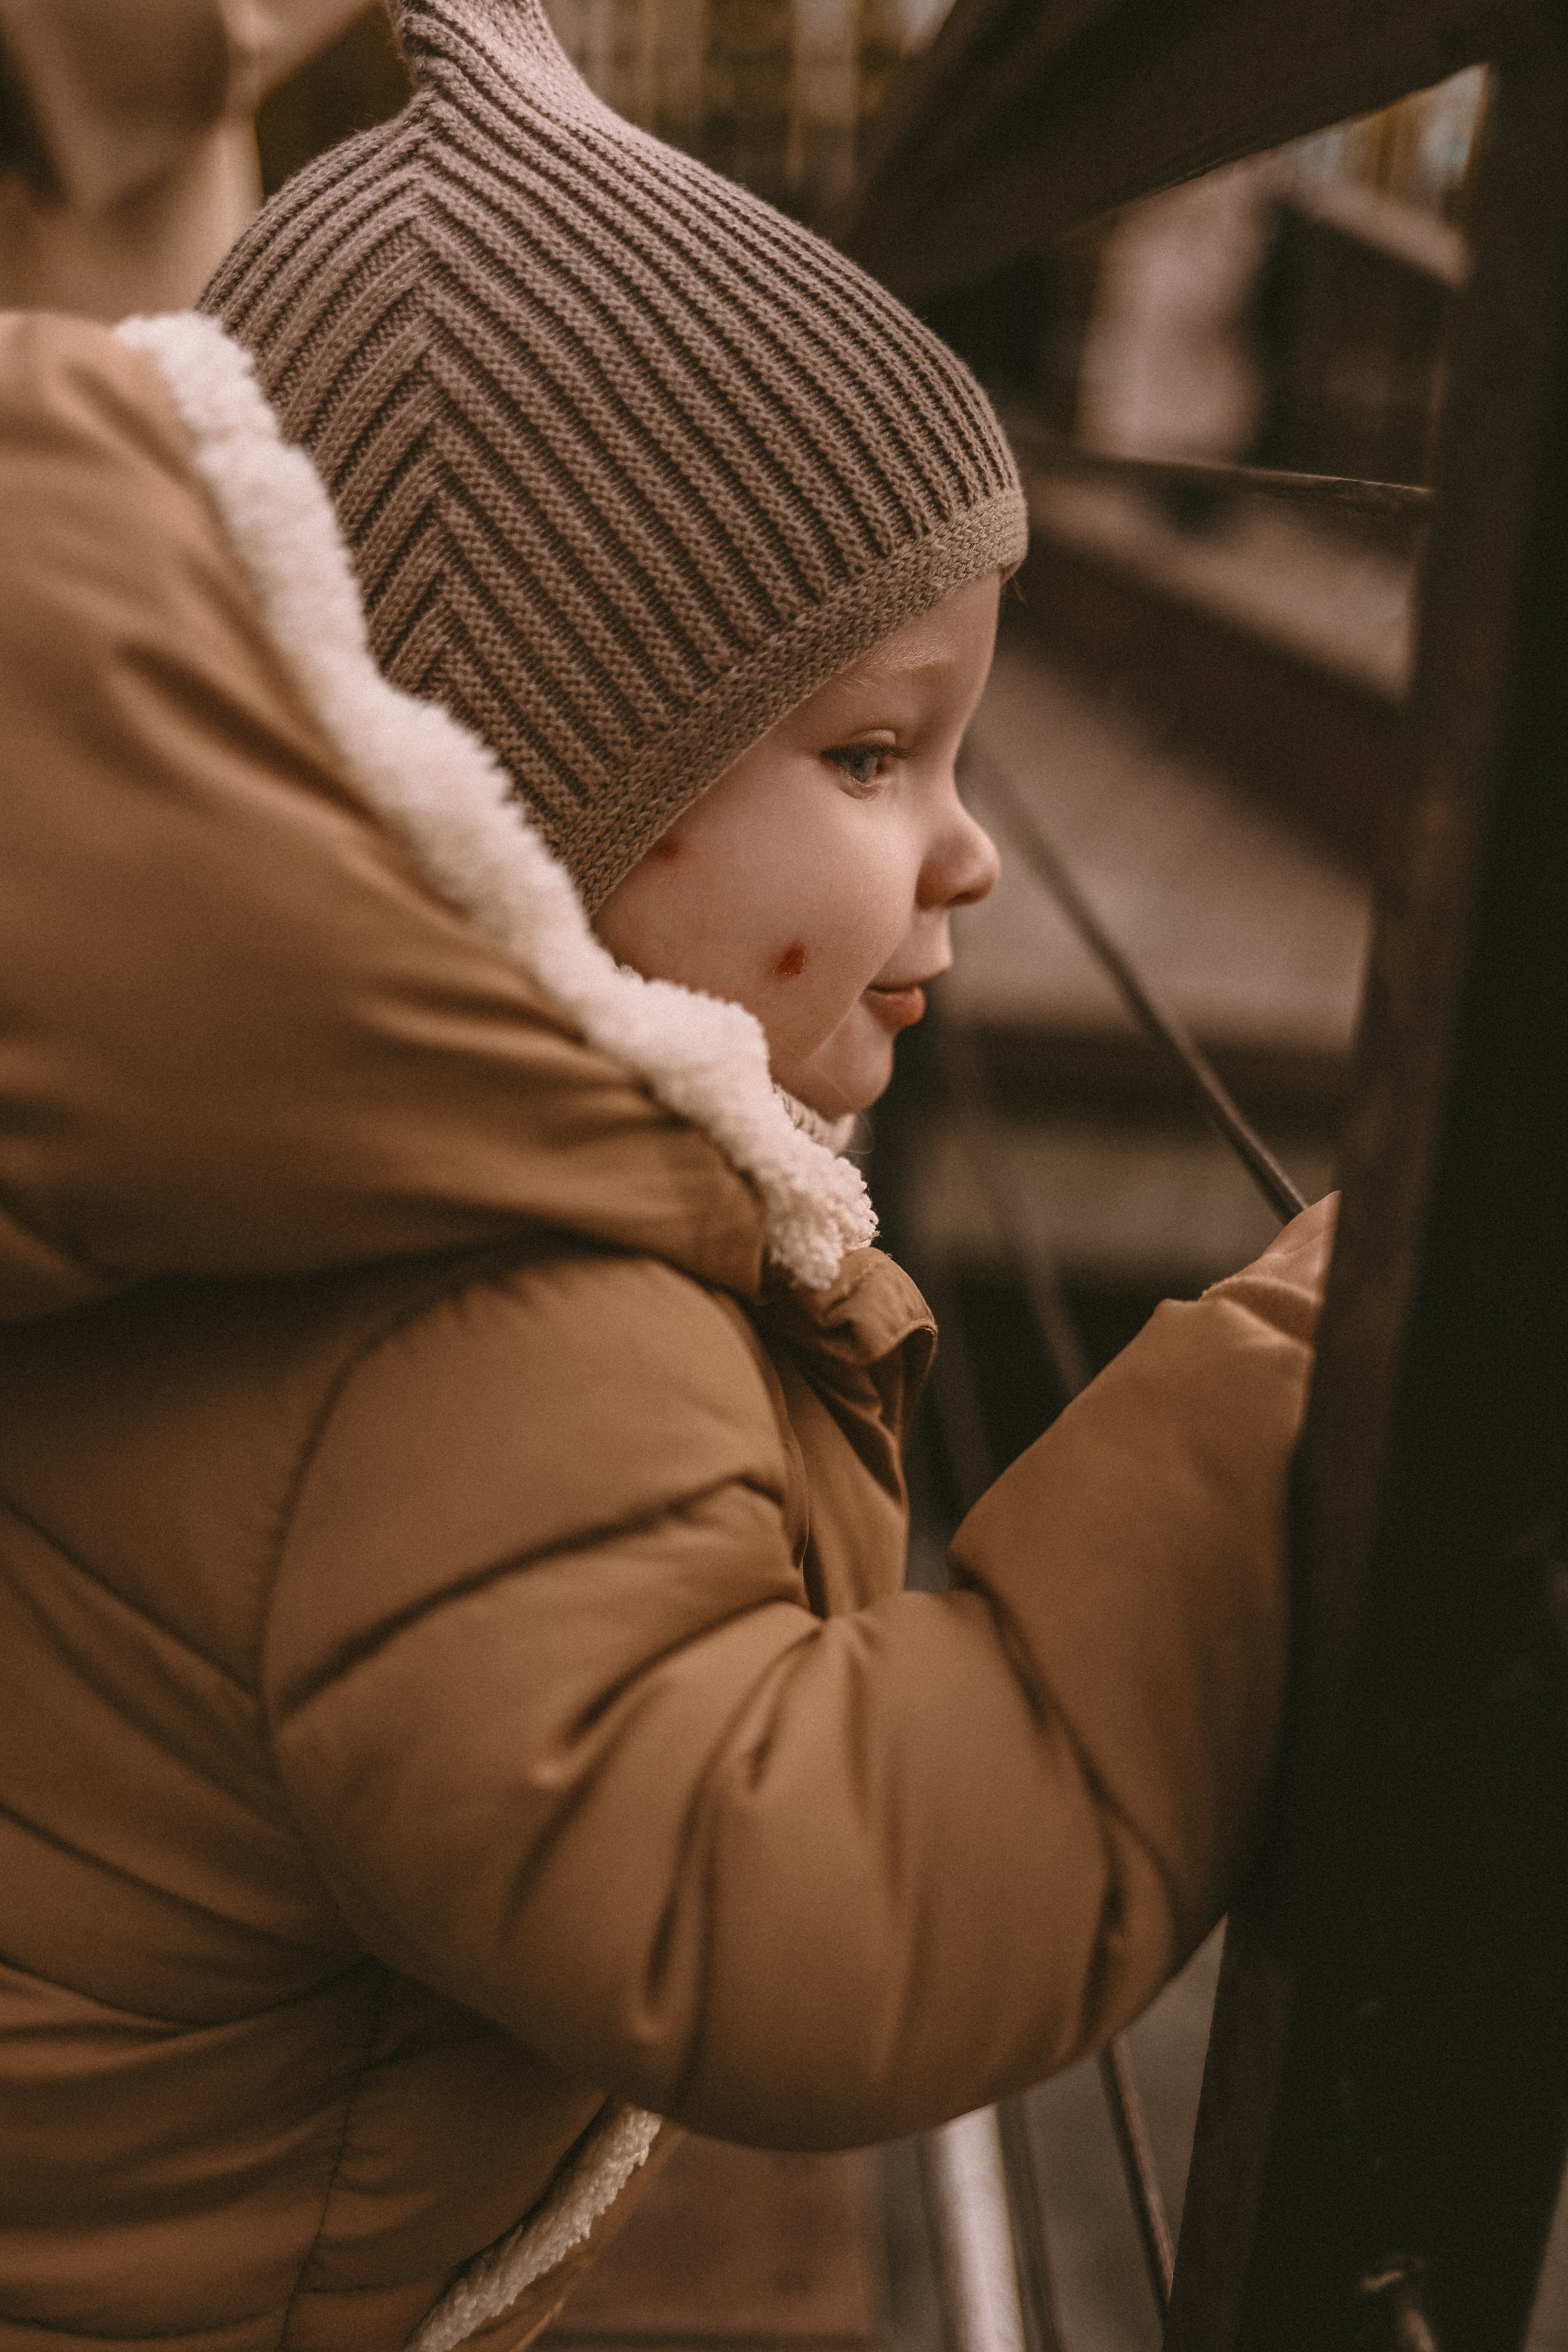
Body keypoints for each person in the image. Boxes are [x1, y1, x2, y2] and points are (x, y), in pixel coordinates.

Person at [0, 2, 1333, 2348]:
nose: (975, 851)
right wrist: (1288, 1401)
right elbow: (806, 1912)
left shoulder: (297, 1161)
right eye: (876, 752)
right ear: (522, 795)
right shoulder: (478, 1328)